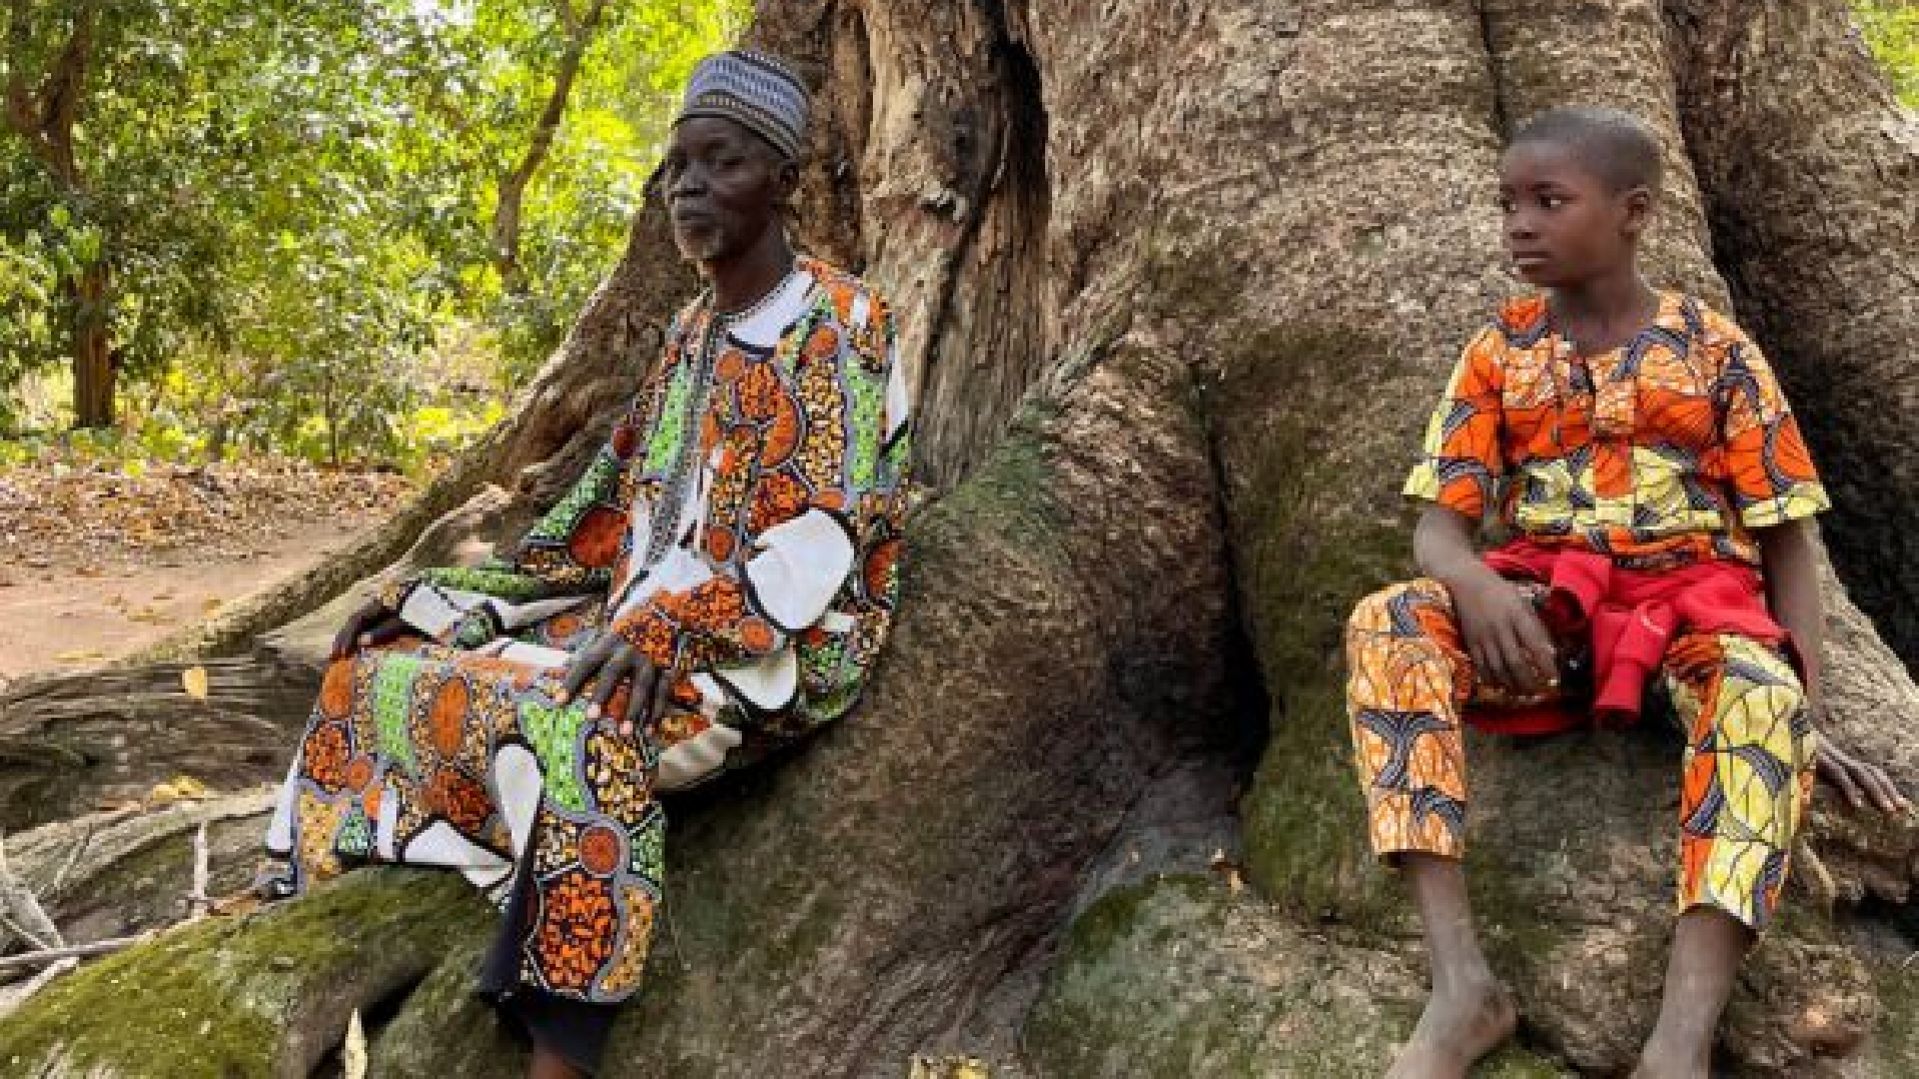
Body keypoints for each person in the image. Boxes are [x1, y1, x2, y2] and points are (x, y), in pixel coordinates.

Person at [258, 50, 912, 1078]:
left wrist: (669, 627)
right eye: (678, 165)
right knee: (367, 672)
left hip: (769, 655)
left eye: (721, 162)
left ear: (785, 183)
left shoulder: (840, 322)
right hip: (632, 628)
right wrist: (450, 597)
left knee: (582, 729)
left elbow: (823, 536)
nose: (687, 186)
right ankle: (313, 955)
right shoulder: (691, 329)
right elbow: (602, 509)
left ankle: (560, 1049)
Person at [1343, 105, 1908, 1079]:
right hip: (1544, 621)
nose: (1518, 223)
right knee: (1387, 622)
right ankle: (1460, 985)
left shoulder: (1714, 351)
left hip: (1693, 614)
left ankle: (1677, 1040)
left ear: (1632, 211)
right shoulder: (1498, 350)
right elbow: (1439, 521)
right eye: (1507, 203)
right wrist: (1471, 577)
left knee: (1761, 704)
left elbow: (1785, 537)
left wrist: (1802, 708)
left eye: (1547, 202)